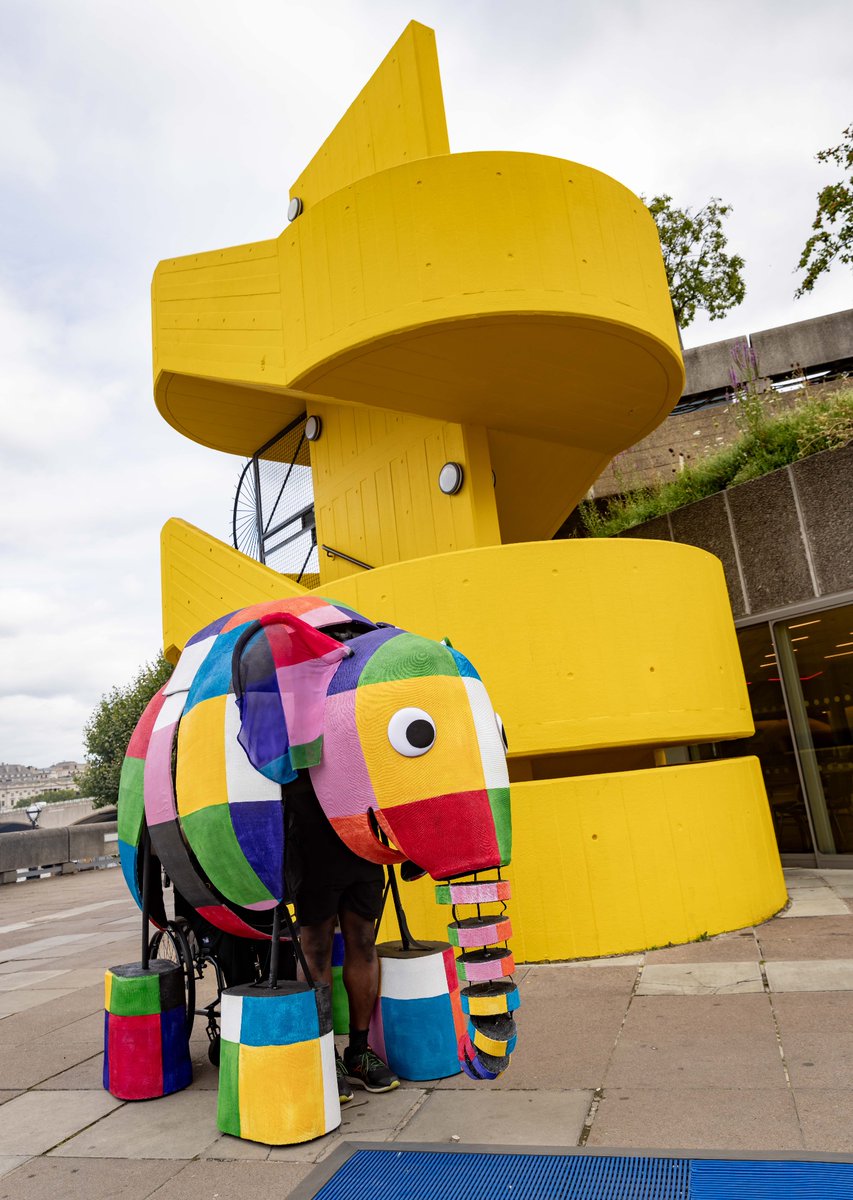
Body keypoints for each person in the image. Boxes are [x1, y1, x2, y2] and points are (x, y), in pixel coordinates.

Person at [284, 769, 399, 1103]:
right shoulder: (292, 717)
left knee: (364, 940)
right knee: (315, 948)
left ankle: (359, 1053)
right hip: (309, 832)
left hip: (359, 833)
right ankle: (324, 1053)